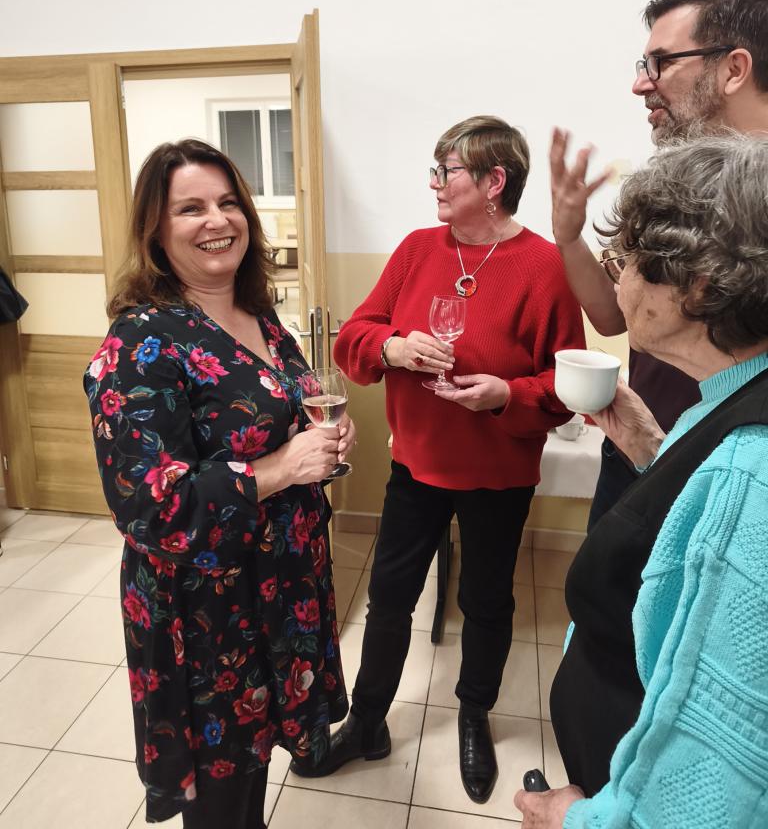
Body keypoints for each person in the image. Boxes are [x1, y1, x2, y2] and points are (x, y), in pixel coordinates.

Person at [290, 115, 585, 803]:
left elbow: (566, 386)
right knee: (389, 600)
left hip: (498, 477)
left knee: (485, 602)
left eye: (445, 171)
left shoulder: (545, 266)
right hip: (415, 467)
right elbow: (354, 337)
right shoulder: (417, 249)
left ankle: (474, 715)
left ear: (493, 181)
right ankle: (367, 721)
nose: (434, 185)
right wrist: (393, 348)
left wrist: (504, 394)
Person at [83, 139, 353, 828]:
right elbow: (149, 505)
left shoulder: (260, 316)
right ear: (155, 229)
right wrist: (283, 467)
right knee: (223, 800)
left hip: (280, 585)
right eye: (191, 208)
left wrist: (322, 438)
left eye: (229, 202)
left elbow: (288, 410)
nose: (217, 220)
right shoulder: (140, 342)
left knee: (252, 780)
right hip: (207, 613)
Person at [516, 135, 768, 828]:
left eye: (623, 261)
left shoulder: (753, 469)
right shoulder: (727, 398)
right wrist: (652, 451)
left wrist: (576, 820)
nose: (617, 280)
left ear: (700, 287)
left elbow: (716, 777)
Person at [550, 0, 768, 530]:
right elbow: (614, 317)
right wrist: (569, 236)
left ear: (734, 69)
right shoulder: (673, 188)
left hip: (733, 482)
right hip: (638, 445)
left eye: (661, 63)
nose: (640, 84)